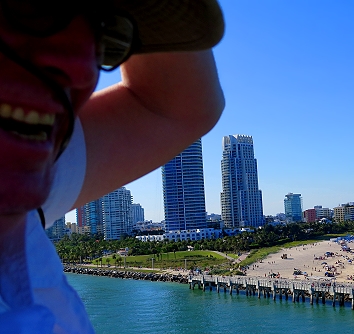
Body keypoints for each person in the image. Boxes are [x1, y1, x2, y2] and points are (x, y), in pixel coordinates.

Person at [0, 0, 225, 332]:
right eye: (31, 6)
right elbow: (175, 107)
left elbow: (178, 106)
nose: (83, 68)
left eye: (104, 32)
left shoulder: (22, 183)